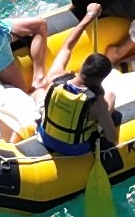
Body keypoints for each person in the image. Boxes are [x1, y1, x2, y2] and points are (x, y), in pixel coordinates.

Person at [34, 49, 118, 182]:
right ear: (100, 79)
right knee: (111, 95)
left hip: (45, 137)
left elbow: (66, 48)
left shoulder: (55, 81)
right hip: (74, 148)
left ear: (83, 66)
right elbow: (111, 137)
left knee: (39, 93)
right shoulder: (96, 102)